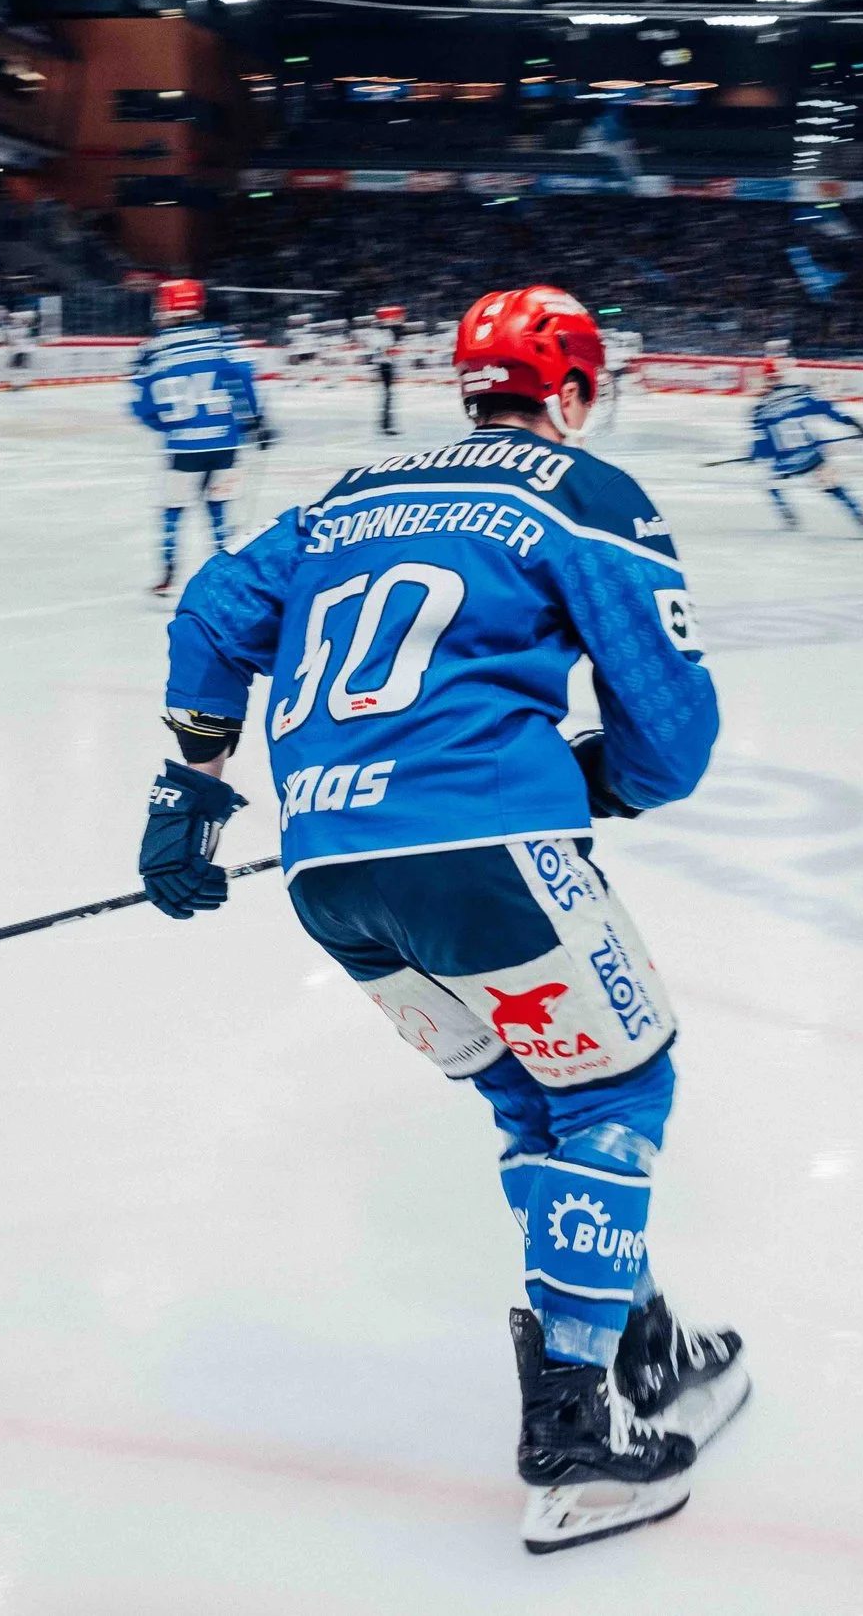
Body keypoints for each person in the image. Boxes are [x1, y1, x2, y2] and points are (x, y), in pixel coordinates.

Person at [137, 284, 748, 1554]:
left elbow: (207, 612)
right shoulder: (582, 491)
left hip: (330, 880)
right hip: (485, 855)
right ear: (573, 389)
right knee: (616, 1094)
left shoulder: (344, 495)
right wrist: (600, 780)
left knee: (535, 1096)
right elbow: (669, 730)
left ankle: (636, 1338)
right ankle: (576, 1430)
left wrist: (189, 789)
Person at [129, 277, 263, 596]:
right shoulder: (222, 338)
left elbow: (141, 404)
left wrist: (167, 427)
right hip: (226, 443)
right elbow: (244, 381)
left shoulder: (151, 350)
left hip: (183, 446)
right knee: (218, 507)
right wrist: (255, 421)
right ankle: (227, 570)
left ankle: (168, 572)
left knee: (173, 510)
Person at [745, 347, 863, 533]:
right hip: (812, 456)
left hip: (786, 462)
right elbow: (832, 412)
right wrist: (857, 425)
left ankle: (789, 518)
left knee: (768, 483)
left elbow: (763, 445)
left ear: (767, 378)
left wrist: (755, 455)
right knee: (833, 486)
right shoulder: (802, 394)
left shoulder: (760, 409)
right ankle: (859, 516)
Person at [367, 301, 406, 436]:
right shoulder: (385, 333)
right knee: (388, 396)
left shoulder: (383, 332)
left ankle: (386, 424)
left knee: (388, 396)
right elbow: (386, 349)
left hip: (385, 365)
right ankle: (386, 425)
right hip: (385, 366)